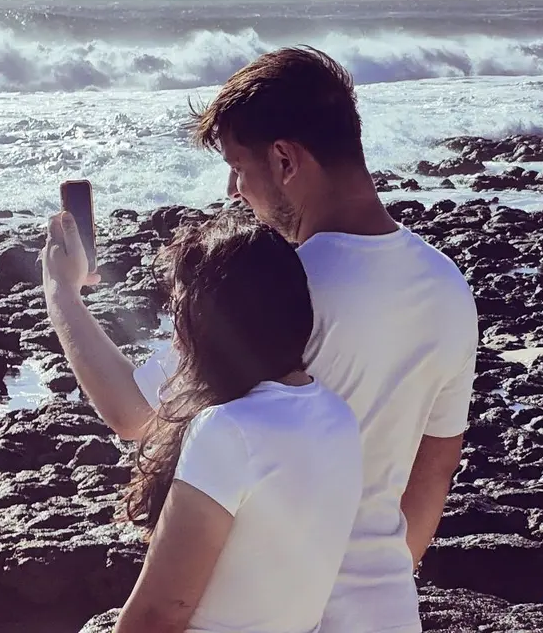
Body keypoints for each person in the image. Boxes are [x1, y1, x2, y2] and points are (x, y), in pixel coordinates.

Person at [42, 46, 478, 633]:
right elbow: (434, 468)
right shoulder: (446, 283)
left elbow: (133, 412)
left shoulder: (287, 291)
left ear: (284, 159)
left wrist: (61, 295)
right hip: (387, 611)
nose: (234, 190)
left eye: (237, 166)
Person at [95, 211, 362, 632]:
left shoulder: (227, 429)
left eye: (178, 310)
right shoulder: (338, 417)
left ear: (206, 323)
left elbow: (158, 614)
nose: (175, 335)